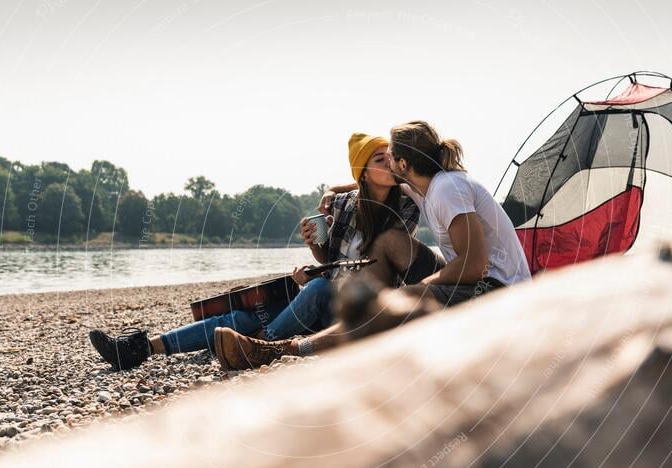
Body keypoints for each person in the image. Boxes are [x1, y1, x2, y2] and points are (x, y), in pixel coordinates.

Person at [214, 120, 531, 371]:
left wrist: (420, 287)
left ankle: (286, 349)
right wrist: (332, 190)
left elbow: (474, 266)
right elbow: (368, 177)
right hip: (476, 278)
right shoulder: (426, 185)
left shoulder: (448, 188)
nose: (386, 159)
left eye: (390, 154)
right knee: (390, 242)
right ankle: (358, 321)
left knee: (396, 300)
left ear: (403, 163)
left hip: (497, 288)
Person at [88, 132, 419, 371]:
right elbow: (328, 262)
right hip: (323, 298)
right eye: (380, 157)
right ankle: (142, 348)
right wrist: (314, 248)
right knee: (247, 313)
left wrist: (336, 190)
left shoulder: (406, 206)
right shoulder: (344, 205)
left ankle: (259, 342)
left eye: (390, 155)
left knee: (316, 289)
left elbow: (383, 259)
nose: (390, 160)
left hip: (357, 309)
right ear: (362, 171)